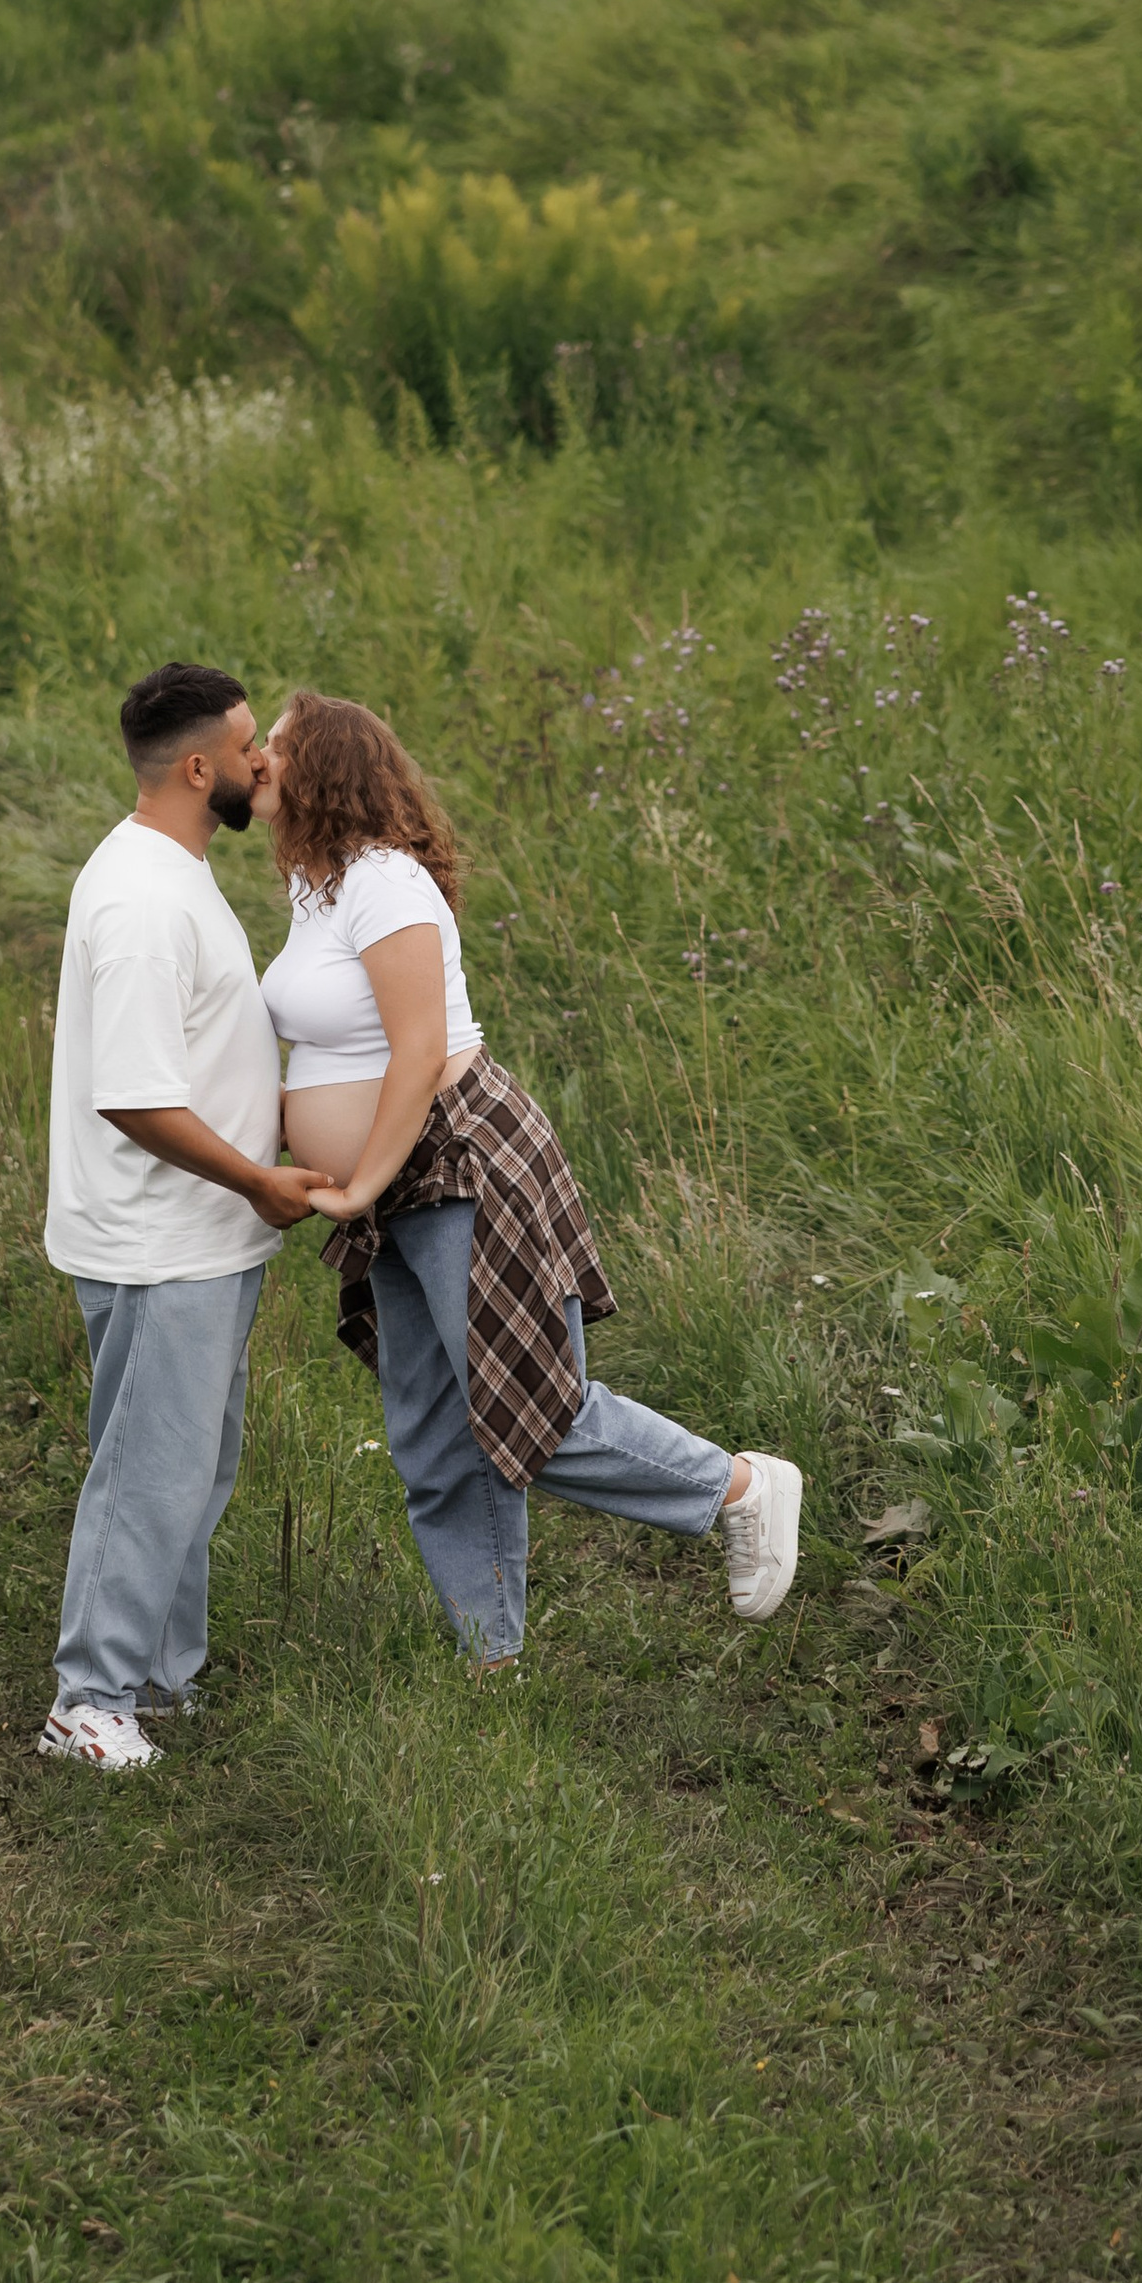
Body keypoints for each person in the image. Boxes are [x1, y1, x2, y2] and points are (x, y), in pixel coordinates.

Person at [259, 687, 802, 1665]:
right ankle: (491, 1655)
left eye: (277, 744)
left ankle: (740, 1487)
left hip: (458, 1160)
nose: (260, 757)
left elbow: (420, 1050)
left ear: (324, 768)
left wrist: (357, 1184)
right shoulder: (320, 887)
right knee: (432, 1431)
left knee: (532, 1409)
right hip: (399, 1179)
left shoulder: (385, 882)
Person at [40, 660, 328, 1774]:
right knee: (148, 1475)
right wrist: (257, 1179)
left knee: (192, 1469)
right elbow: (136, 1097)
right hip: (160, 1241)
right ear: (200, 768)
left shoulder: (175, 873)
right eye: (251, 745)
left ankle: (156, 1677)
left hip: (200, 1239)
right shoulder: (143, 904)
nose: (266, 760)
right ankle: (88, 1699)